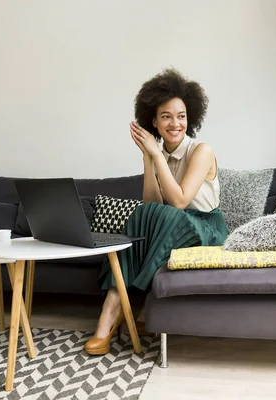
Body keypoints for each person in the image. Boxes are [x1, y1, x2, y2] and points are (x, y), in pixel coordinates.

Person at [84, 68, 229, 355]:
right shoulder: (158, 154)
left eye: (181, 116)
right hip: (173, 225)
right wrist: (149, 158)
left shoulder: (202, 150)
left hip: (206, 228)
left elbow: (179, 202)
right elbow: (151, 204)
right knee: (141, 214)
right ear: (154, 121)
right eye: (166, 116)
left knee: (167, 216)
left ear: (191, 117)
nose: (175, 123)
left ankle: (123, 311)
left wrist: (157, 156)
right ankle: (112, 311)